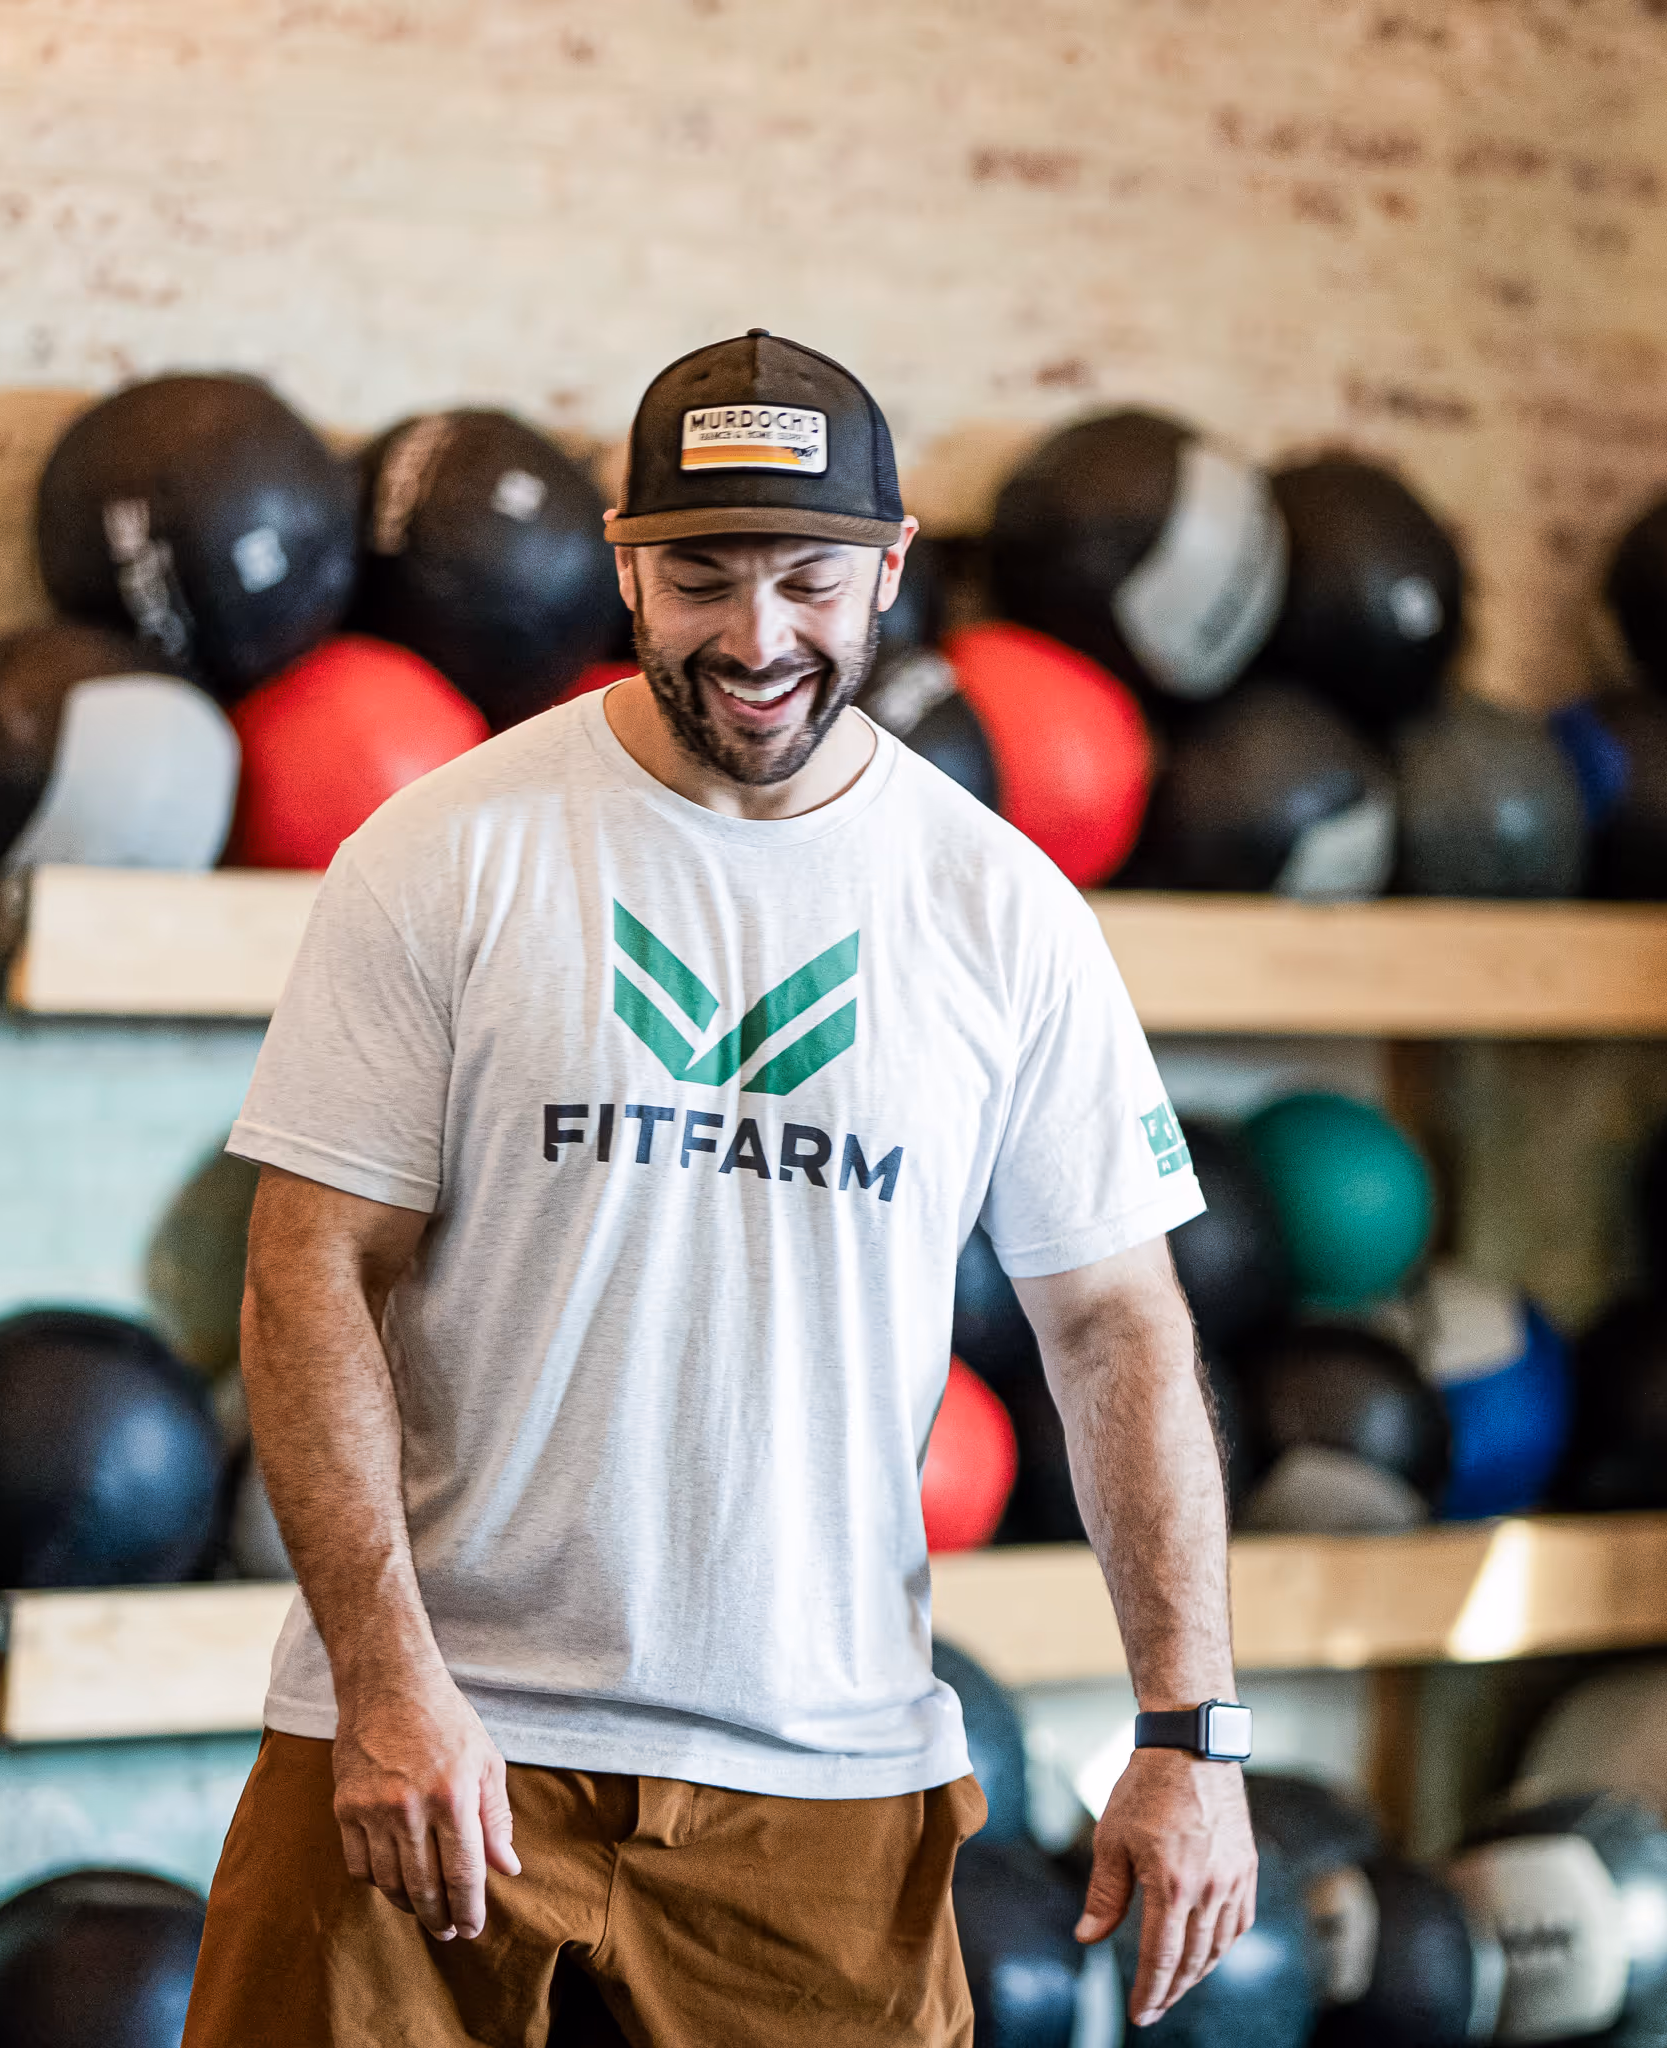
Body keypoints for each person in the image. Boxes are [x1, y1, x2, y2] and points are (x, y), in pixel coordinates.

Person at [183, 330, 1256, 2047]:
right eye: (699, 578)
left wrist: (1187, 1733)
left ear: (890, 569)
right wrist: (384, 1683)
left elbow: (1119, 1326)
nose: (758, 639)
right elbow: (310, 1268)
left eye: (811, 580)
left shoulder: (1000, 911)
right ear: (622, 561)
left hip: (818, 1790)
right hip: (430, 1747)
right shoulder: (448, 852)